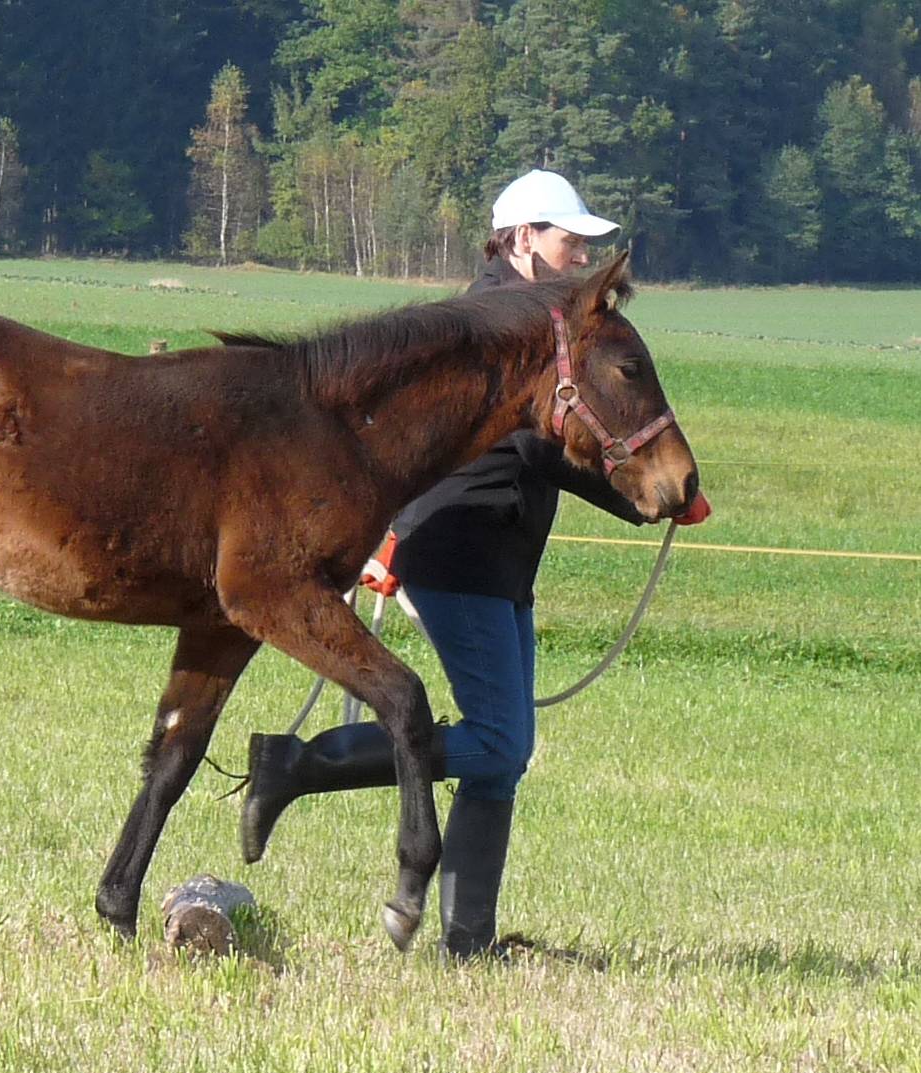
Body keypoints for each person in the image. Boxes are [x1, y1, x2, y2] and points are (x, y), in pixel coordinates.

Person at [241, 169, 710, 960]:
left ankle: (469, 941)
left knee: (505, 755)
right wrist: (637, 492)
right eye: (570, 240)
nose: (580, 255)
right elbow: (542, 439)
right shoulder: (488, 322)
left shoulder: (547, 324)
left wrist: (646, 488)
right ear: (523, 237)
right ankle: (297, 765)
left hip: (504, 556)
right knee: (498, 740)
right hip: (456, 549)